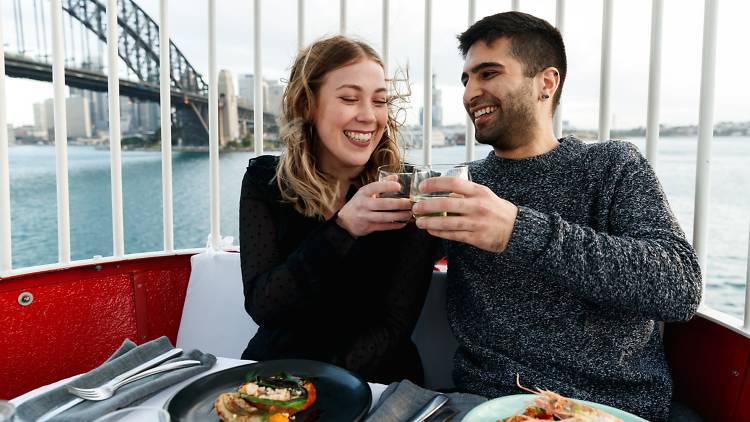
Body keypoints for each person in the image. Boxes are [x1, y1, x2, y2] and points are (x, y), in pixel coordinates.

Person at [412, 11, 702, 422]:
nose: (471, 92)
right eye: (466, 79)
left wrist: (517, 231)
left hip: (613, 408)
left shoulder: (611, 165)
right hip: (486, 404)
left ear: (547, 82)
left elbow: (679, 286)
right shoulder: (461, 184)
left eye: (488, 73)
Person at [239, 35, 436, 385]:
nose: (368, 116)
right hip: (275, 375)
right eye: (348, 98)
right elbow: (264, 305)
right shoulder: (264, 180)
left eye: (380, 102)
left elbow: (393, 327)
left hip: (374, 383)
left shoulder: (407, 189)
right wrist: (343, 229)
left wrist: (317, 387)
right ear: (306, 105)